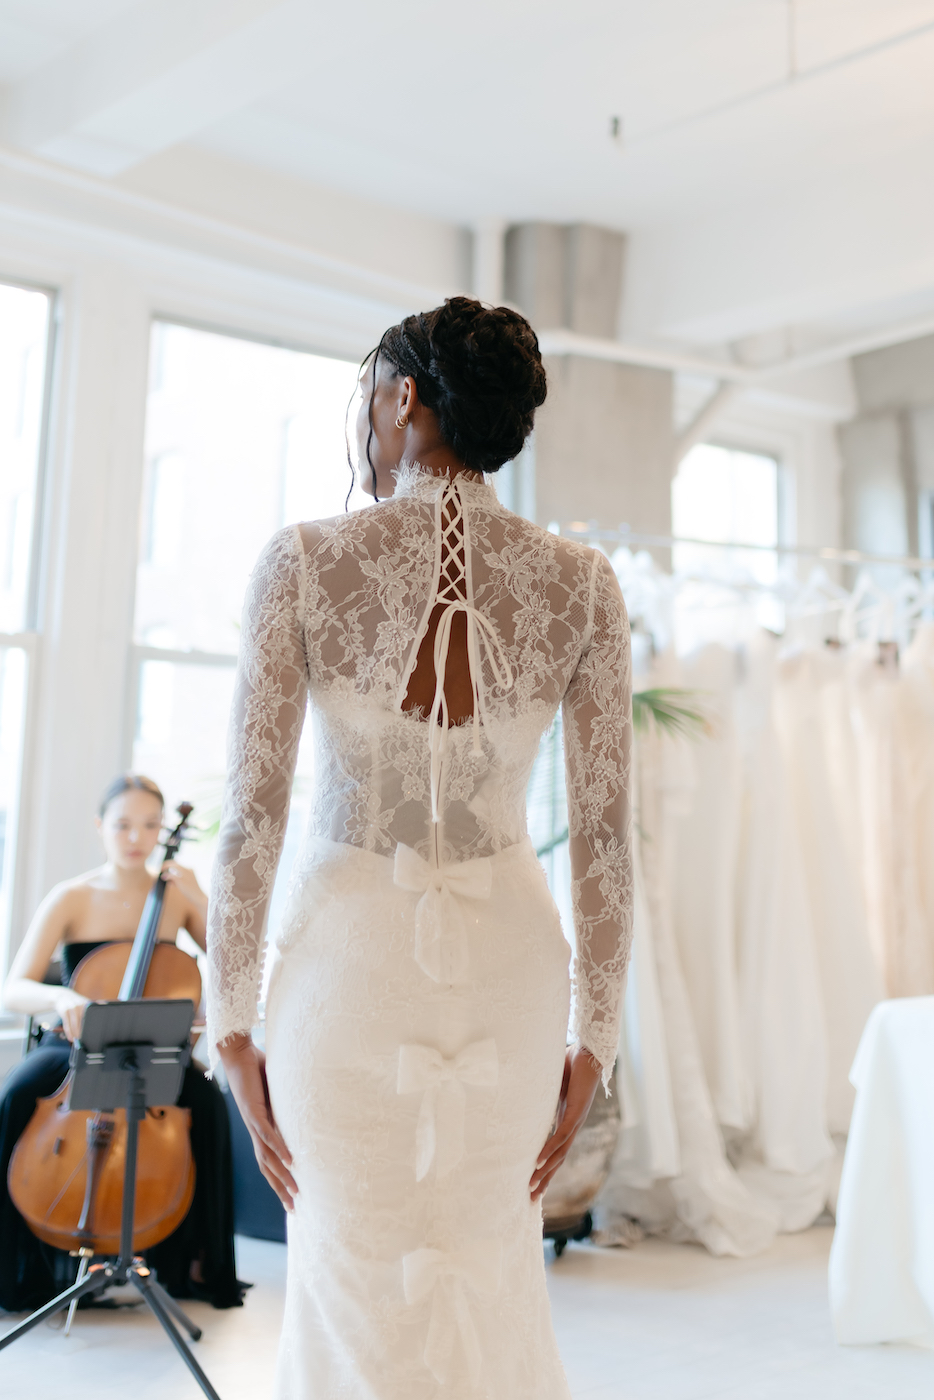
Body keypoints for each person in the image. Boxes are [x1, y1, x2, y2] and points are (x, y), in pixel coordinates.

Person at [209, 295, 633, 1397]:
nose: (363, 424)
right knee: (493, 1273)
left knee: (346, 1284)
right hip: (513, 973)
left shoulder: (300, 561)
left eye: (366, 398)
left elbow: (251, 816)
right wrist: (597, 1035)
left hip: (345, 972)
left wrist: (232, 1024)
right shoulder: (582, 583)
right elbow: (602, 834)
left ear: (403, 400)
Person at [0, 774, 243, 1313]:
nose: (137, 837)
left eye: (150, 825)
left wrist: (200, 896)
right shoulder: (72, 896)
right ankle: (16, 1267)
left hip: (154, 1045)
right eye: (123, 825)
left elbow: (232, 960)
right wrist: (60, 997)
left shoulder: (176, 894)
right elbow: (13, 987)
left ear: (163, 830)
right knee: (17, 1094)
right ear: (101, 828)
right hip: (76, 1046)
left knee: (207, 1104)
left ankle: (196, 1264)